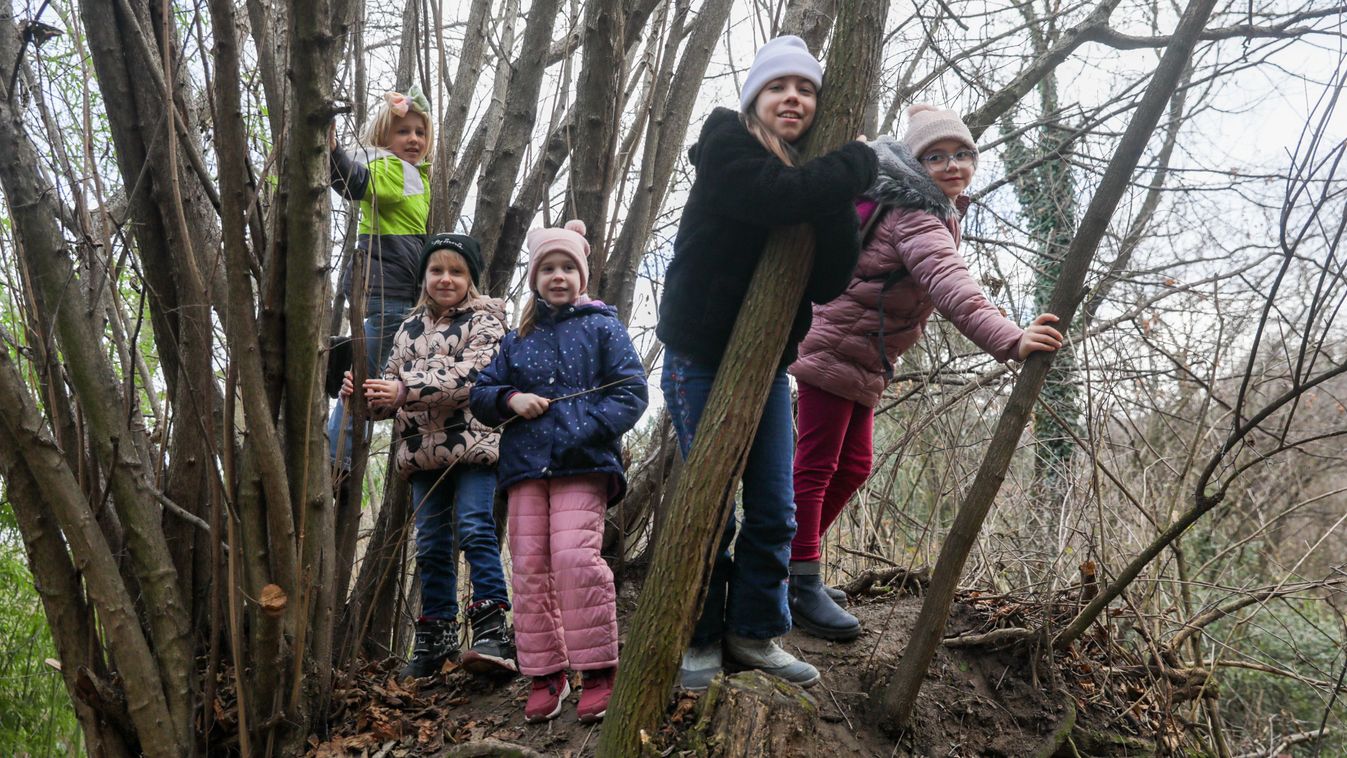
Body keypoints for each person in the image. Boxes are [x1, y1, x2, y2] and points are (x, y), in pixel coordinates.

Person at [786, 105, 1063, 639]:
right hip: (834, 349)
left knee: (853, 465)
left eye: (962, 154)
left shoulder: (930, 207)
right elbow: (950, 285)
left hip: (864, 357)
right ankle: (794, 578)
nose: (953, 165)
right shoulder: (915, 213)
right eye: (936, 157)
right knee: (818, 465)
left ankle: (785, 564)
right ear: (916, 164)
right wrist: (1011, 338)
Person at [655, 35, 878, 691]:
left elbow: (829, 280)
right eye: (779, 86)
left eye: (805, 89)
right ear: (755, 96)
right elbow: (774, 196)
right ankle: (697, 636)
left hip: (767, 366)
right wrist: (857, 162)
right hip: (699, 356)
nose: (792, 98)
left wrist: (836, 193)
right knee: (711, 505)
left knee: (776, 510)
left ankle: (752, 632)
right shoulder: (725, 142)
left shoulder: (813, 181)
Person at [470, 220, 648, 723]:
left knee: (573, 559)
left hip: (582, 463)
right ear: (534, 278)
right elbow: (481, 395)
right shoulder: (515, 340)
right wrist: (511, 398)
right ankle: (547, 674)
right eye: (548, 268)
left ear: (582, 275)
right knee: (529, 568)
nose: (558, 276)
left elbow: (632, 392)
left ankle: (597, 669)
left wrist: (581, 429)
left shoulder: (602, 326)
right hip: (525, 471)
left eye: (568, 267)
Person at [341, 234, 517, 679]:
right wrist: (363, 397)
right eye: (436, 270)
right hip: (420, 453)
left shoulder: (488, 320)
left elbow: (474, 376)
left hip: (474, 446)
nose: (445, 279)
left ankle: (493, 628)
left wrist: (405, 389)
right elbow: (387, 396)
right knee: (432, 546)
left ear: (471, 278)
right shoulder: (407, 328)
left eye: (456, 271)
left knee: (476, 529)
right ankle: (435, 635)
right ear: (423, 277)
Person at [327, 85, 434, 474]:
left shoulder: (415, 177)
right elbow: (355, 180)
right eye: (403, 131)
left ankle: (340, 456)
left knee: (371, 379)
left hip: (395, 294)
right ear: (384, 138)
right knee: (364, 381)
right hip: (388, 293)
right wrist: (334, 152)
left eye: (420, 133)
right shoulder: (395, 170)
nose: (414, 139)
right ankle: (337, 461)